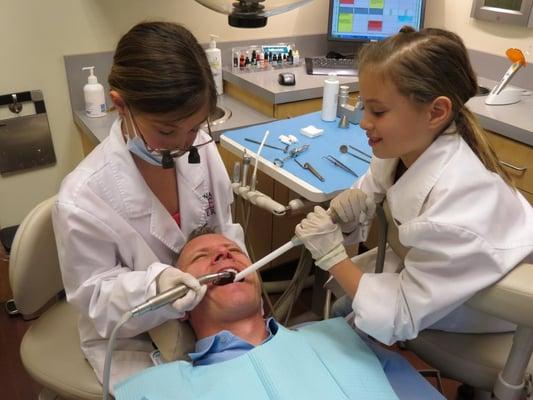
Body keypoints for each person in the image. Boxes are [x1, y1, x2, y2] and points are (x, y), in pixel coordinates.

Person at [295, 27, 533, 346]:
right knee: (342, 310)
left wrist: (334, 258)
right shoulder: (404, 147)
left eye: (377, 111)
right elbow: (376, 191)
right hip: (426, 271)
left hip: (488, 305)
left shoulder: (461, 201)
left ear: (436, 112)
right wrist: (354, 208)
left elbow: (400, 316)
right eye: (364, 106)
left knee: (345, 317)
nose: (364, 122)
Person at [52, 22, 244, 386]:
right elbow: (96, 300)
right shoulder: (82, 198)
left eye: (194, 127)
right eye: (168, 131)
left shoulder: (198, 147)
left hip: (208, 316)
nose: (187, 144)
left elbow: (225, 226)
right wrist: (157, 288)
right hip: (133, 336)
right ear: (120, 105)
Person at [114, 232, 445, 399]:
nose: (222, 254)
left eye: (234, 252)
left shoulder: (338, 337)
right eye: (202, 256)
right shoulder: (158, 389)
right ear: (181, 302)